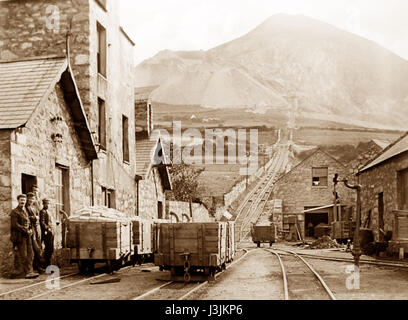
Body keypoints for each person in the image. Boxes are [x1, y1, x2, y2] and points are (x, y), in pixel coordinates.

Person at [10, 194, 38, 279]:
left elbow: (28, 222)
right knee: (24, 254)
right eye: (21, 200)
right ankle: (24, 272)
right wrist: (25, 230)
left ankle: (30, 271)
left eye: (24, 200)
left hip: (27, 235)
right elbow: (15, 225)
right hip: (20, 236)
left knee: (31, 253)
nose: (23, 201)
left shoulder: (25, 211)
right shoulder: (14, 212)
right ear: (18, 201)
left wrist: (29, 230)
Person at [26, 192, 44, 273]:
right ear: (27, 199)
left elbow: (38, 216)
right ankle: (34, 267)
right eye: (29, 198)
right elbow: (26, 218)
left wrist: (36, 217)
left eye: (32, 199)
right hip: (31, 228)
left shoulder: (35, 207)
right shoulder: (26, 208)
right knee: (35, 248)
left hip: (37, 228)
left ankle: (38, 266)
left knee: (39, 247)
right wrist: (33, 217)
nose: (31, 200)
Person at [40, 198, 54, 267]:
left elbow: (50, 221)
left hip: (51, 231)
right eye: (46, 203)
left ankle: (48, 264)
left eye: (48, 203)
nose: (47, 205)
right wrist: (47, 228)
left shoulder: (49, 212)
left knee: (51, 248)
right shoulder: (42, 211)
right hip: (46, 232)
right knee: (48, 248)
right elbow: (42, 222)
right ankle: (46, 265)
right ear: (43, 204)